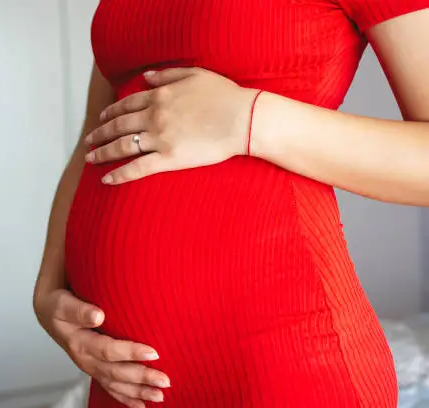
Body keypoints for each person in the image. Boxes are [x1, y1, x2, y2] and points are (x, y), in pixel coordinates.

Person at [33, 0, 429, 406]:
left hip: (282, 362)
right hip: (128, 379)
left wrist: (251, 119)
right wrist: (48, 289)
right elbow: (99, 137)